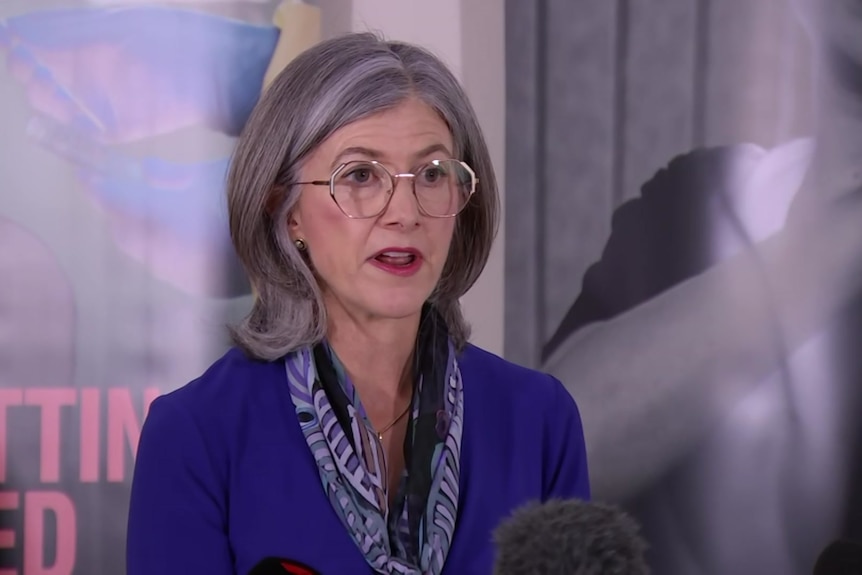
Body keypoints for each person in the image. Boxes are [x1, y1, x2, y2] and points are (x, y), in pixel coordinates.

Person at [126, 32, 590, 575]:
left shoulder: (537, 420)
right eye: (361, 176)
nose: (404, 213)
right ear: (286, 209)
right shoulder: (199, 434)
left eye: (433, 175)